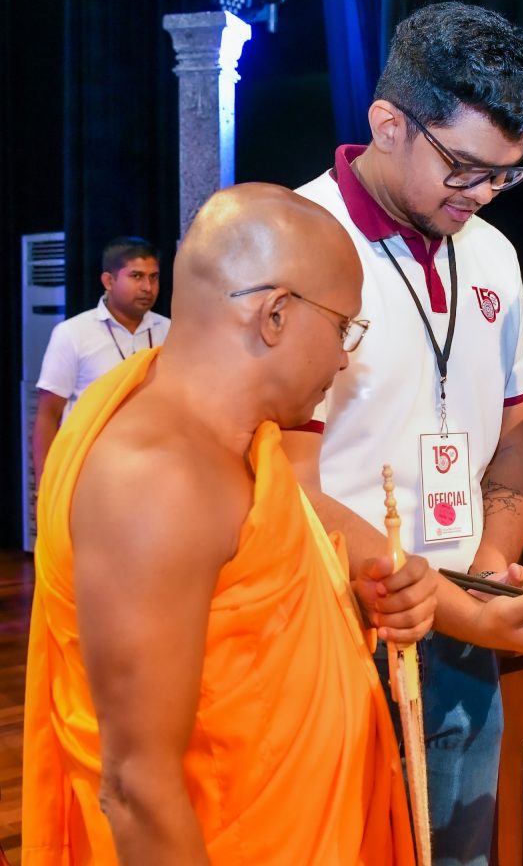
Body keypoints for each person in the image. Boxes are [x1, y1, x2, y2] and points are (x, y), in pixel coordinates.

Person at [22, 185, 426, 864]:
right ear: (275, 314)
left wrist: (343, 594)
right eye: (343, 329)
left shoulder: (233, 440)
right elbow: (139, 789)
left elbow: (235, 613)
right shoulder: (158, 479)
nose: (343, 358)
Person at [286, 1, 523, 864]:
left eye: (505, 175)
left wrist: (489, 574)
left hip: (463, 632)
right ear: (389, 125)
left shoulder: (493, 256)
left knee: (458, 851)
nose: (482, 195)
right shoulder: (297, 241)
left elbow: (510, 439)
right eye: (465, 168)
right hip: (331, 625)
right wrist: (461, 610)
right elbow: (283, 482)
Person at [32, 236, 169, 476]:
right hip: (89, 473)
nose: (148, 287)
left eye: (153, 277)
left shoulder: (171, 331)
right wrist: (45, 486)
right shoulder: (73, 333)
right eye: (136, 276)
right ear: (108, 281)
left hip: (155, 471)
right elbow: (48, 415)